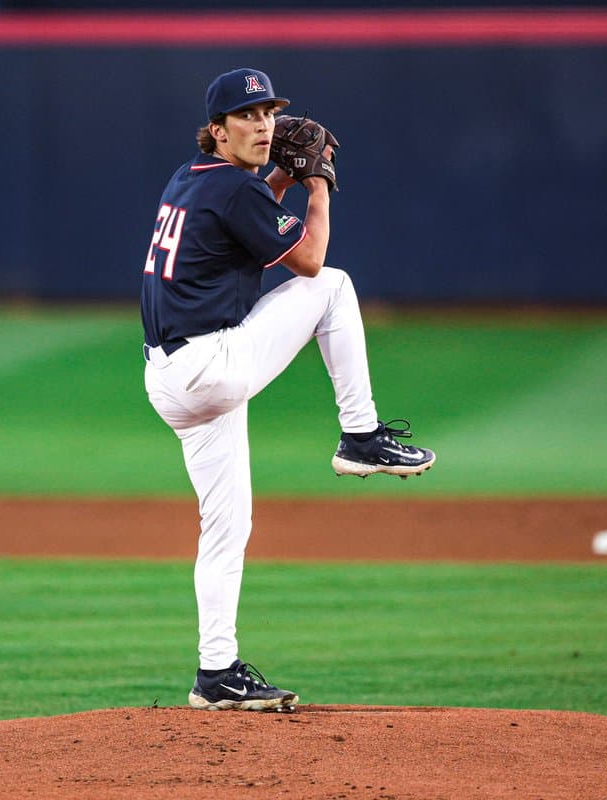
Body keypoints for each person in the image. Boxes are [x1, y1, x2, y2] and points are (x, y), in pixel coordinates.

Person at [140, 68, 436, 712]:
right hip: (209, 366)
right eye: (247, 116)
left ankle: (215, 673)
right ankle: (360, 435)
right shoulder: (234, 190)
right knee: (332, 284)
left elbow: (247, 227)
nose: (264, 124)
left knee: (226, 526)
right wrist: (318, 184)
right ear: (217, 131)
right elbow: (306, 255)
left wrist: (279, 179)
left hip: (172, 379)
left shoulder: (192, 180)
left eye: (269, 112)